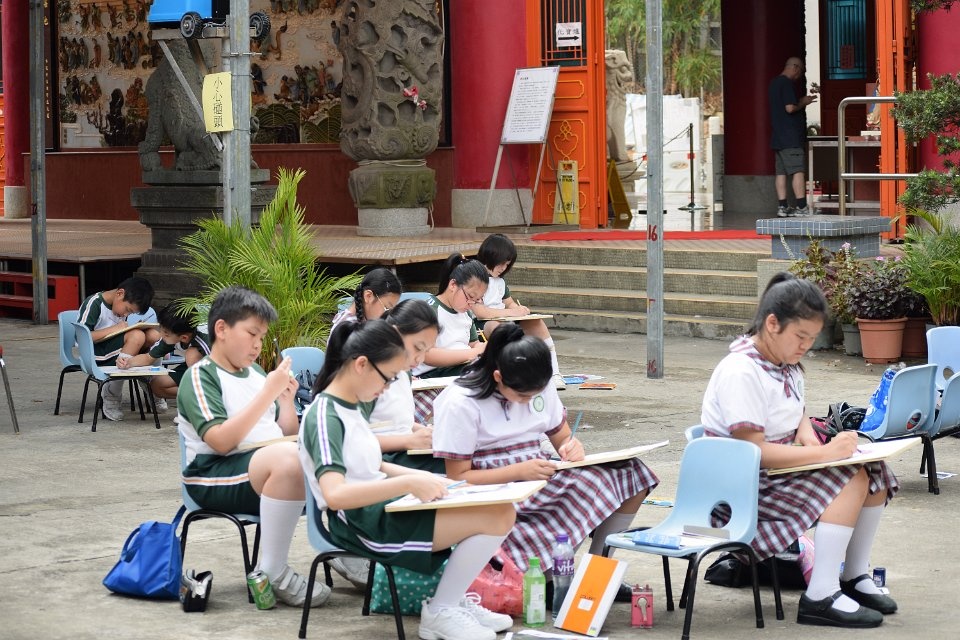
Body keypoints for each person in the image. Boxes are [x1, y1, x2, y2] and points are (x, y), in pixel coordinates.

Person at [700, 273, 899, 628]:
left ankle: (853, 575)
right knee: (850, 478)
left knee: (875, 472)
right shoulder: (741, 371)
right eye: (801, 336)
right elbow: (752, 451)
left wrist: (809, 437)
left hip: (772, 475)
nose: (806, 346)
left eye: (812, 337)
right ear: (772, 324)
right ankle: (820, 595)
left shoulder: (784, 363)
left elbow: (797, 411)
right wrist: (825, 455)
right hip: (740, 491)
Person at [300, 320, 517, 640]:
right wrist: (409, 484)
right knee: (497, 515)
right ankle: (442, 610)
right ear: (361, 365)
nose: (388, 387)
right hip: (362, 522)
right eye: (388, 377)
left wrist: (429, 479)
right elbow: (335, 495)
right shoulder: (324, 416)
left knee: (500, 509)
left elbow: (374, 465)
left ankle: (451, 601)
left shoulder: (350, 407)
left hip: (384, 506)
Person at [432, 323, 659, 602]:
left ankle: (598, 575)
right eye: (522, 396)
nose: (528, 402)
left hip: (538, 475)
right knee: (574, 490)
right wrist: (518, 471)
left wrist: (570, 447)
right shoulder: (460, 400)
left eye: (534, 395)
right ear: (498, 377)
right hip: (491, 489)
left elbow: (561, 436)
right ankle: (552, 578)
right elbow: (458, 477)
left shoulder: (539, 384)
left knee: (630, 473)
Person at [176, 286, 329, 608]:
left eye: (262, 336)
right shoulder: (201, 376)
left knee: (331, 456)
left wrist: (285, 400)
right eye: (251, 333)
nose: (258, 344)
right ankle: (273, 569)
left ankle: (341, 551)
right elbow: (220, 441)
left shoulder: (257, 373)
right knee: (289, 460)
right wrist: (267, 393)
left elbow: (284, 433)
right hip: (212, 474)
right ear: (221, 329)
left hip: (260, 467)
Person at [471, 233, 564, 388]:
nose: (503, 268)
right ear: (490, 256)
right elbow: (480, 312)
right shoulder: (475, 276)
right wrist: (511, 312)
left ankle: (553, 372)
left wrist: (519, 309)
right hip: (482, 324)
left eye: (507, 265)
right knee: (499, 328)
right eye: (501, 263)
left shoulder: (499, 281)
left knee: (537, 324)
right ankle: (514, 373)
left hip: (504, 319)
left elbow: (509, 303)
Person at [367, 300, 443, 472]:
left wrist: (429, 433)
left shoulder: (404, 372)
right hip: (382, 459)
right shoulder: (369, 375)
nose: (420, 359)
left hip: (403, 452)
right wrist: (408, 441)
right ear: (395, 333)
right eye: (417, 348)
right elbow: (351, 440)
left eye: (426, 352)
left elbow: (400, 423)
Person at [77, 275, 157, 421]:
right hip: (96, 354)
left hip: (117, 351)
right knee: (137, 336)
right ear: (120, 293)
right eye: (127, 310)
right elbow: (80, 337)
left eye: (130, 313)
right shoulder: (94, 303)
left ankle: (152, 384)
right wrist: (115, 329)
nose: (126, 315)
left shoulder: (118, 306)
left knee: (153, 335)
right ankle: (111, 395)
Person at [117, 303, 211, 412]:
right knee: (157, 385)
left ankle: (207, 402)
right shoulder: (172, 335)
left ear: (184, 338)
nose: (161, 335)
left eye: (165, 333)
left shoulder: (205, 340)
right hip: (193, 368)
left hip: (215, 370)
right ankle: (196, 397)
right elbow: (148, 357)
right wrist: (128, 362)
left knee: (192, 354)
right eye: (161, 329)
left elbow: (220, 368)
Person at [412, 253, 489, 380]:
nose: (471, 304)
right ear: (453, 285)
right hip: (432, 375)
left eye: (477, 300)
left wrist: (483, 348)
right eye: (470, 297)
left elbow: (473, 343)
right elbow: (427, 355)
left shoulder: (466, 313)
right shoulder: (429, 310)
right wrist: (472, 353)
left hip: (460, 367)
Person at [769, 56, 818, 217]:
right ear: (795, 67)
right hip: (790, 137)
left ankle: (782, 207)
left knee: (781, 172)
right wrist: (803, 102)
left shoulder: (774, 83)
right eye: (801, 71)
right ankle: (801, 206)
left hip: (778, 136)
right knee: (798, 171)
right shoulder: (787, 83)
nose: (799, 75)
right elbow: (790, 108)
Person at [330, 267, 402, 333]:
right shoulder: (348, 331)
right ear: (368, 296)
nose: (388, 316)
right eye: (387, 308)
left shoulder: (365, 323)